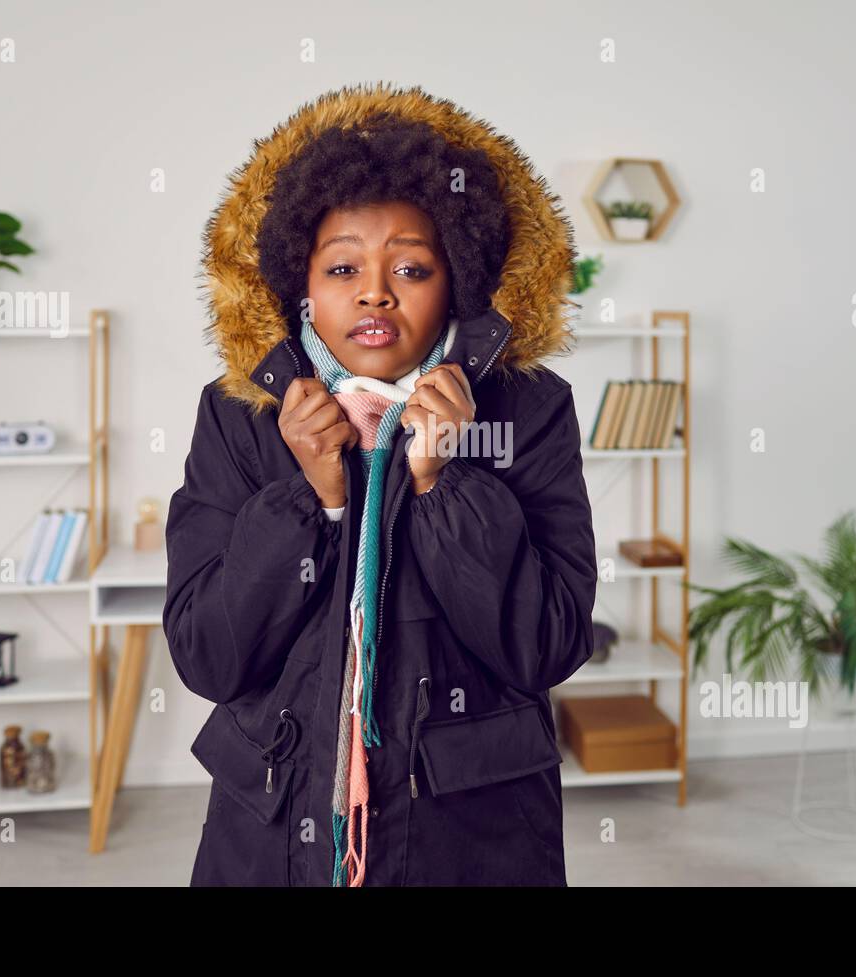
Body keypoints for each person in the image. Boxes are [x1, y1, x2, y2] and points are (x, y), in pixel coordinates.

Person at [164, 82, 597, 886]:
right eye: (342, 266)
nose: (375, 291)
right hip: (274, 829)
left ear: (459, 285)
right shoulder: (243, 418)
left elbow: (549, 642)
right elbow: (207, 657)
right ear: (301, 286)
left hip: (471, 838)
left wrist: (443, 486)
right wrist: (310, 499)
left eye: (411, 265)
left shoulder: (530, 411)